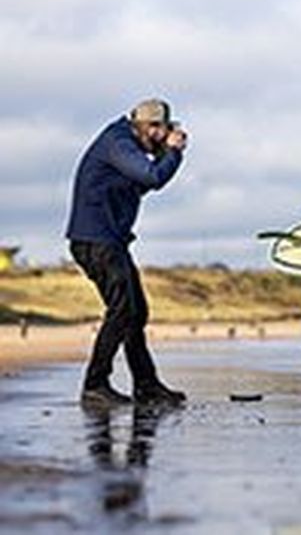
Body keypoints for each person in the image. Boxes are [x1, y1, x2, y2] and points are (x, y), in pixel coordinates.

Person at [66, 98, 188, 406]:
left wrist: (166, 154)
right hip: (96, 241)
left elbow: (143, 183)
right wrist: (172, 152)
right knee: (122, 312)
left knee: (136, 313)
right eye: (158, 130)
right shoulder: (118, 142)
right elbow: (153, 177)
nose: (161, 136)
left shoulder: (127, 147)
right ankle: (95, 385)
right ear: (145, 126)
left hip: (110, 242)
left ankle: (146, 386)